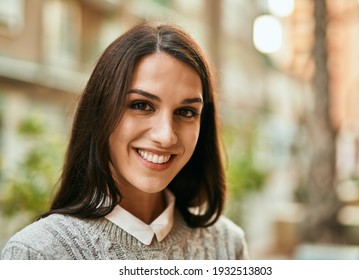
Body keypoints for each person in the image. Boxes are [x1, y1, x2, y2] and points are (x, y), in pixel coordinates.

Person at [1, 21, 249, 260]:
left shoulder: (227, 245)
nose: (166, 136)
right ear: (100, 112)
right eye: (141, 105)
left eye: (186, 112)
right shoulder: (36, 255)